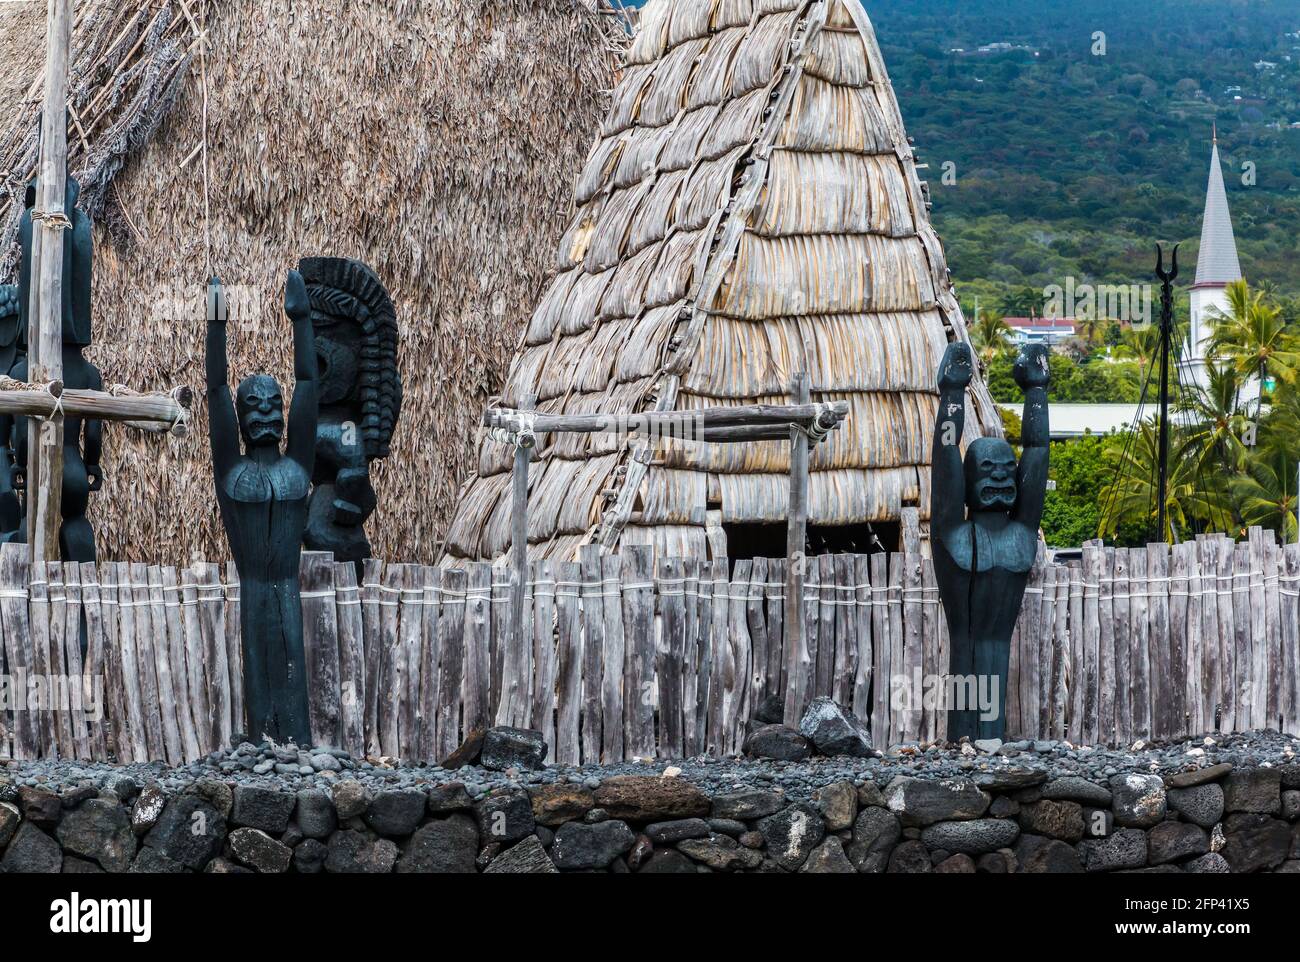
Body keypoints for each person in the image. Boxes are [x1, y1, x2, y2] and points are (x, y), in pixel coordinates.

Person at [206, 271, 317, 744]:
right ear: (241, 417)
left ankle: (296, 745)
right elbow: (214, 392)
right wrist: (216, 324)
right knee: (258, 674)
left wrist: (302, 320)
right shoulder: (233, 472)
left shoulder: (298, 467)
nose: (268, 413)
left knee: (294, 667)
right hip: (253, 592)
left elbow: (309, 383)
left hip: (288, 590)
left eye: (275, 404)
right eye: (255, 405)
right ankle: (261, 746)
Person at [931, 341, 1049, 741]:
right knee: (968, 720)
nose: (999, 478)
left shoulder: (1021, 533)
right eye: (988, 469)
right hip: (965, 647)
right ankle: (966, 743)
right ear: (967, 483)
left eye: (1005, 470)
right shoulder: (955, 536)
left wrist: (1037, 393)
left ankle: (987, 743)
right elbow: (946, 451)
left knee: (990, 722)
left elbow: (1037, 450)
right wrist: (951, 395)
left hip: (999, 643)